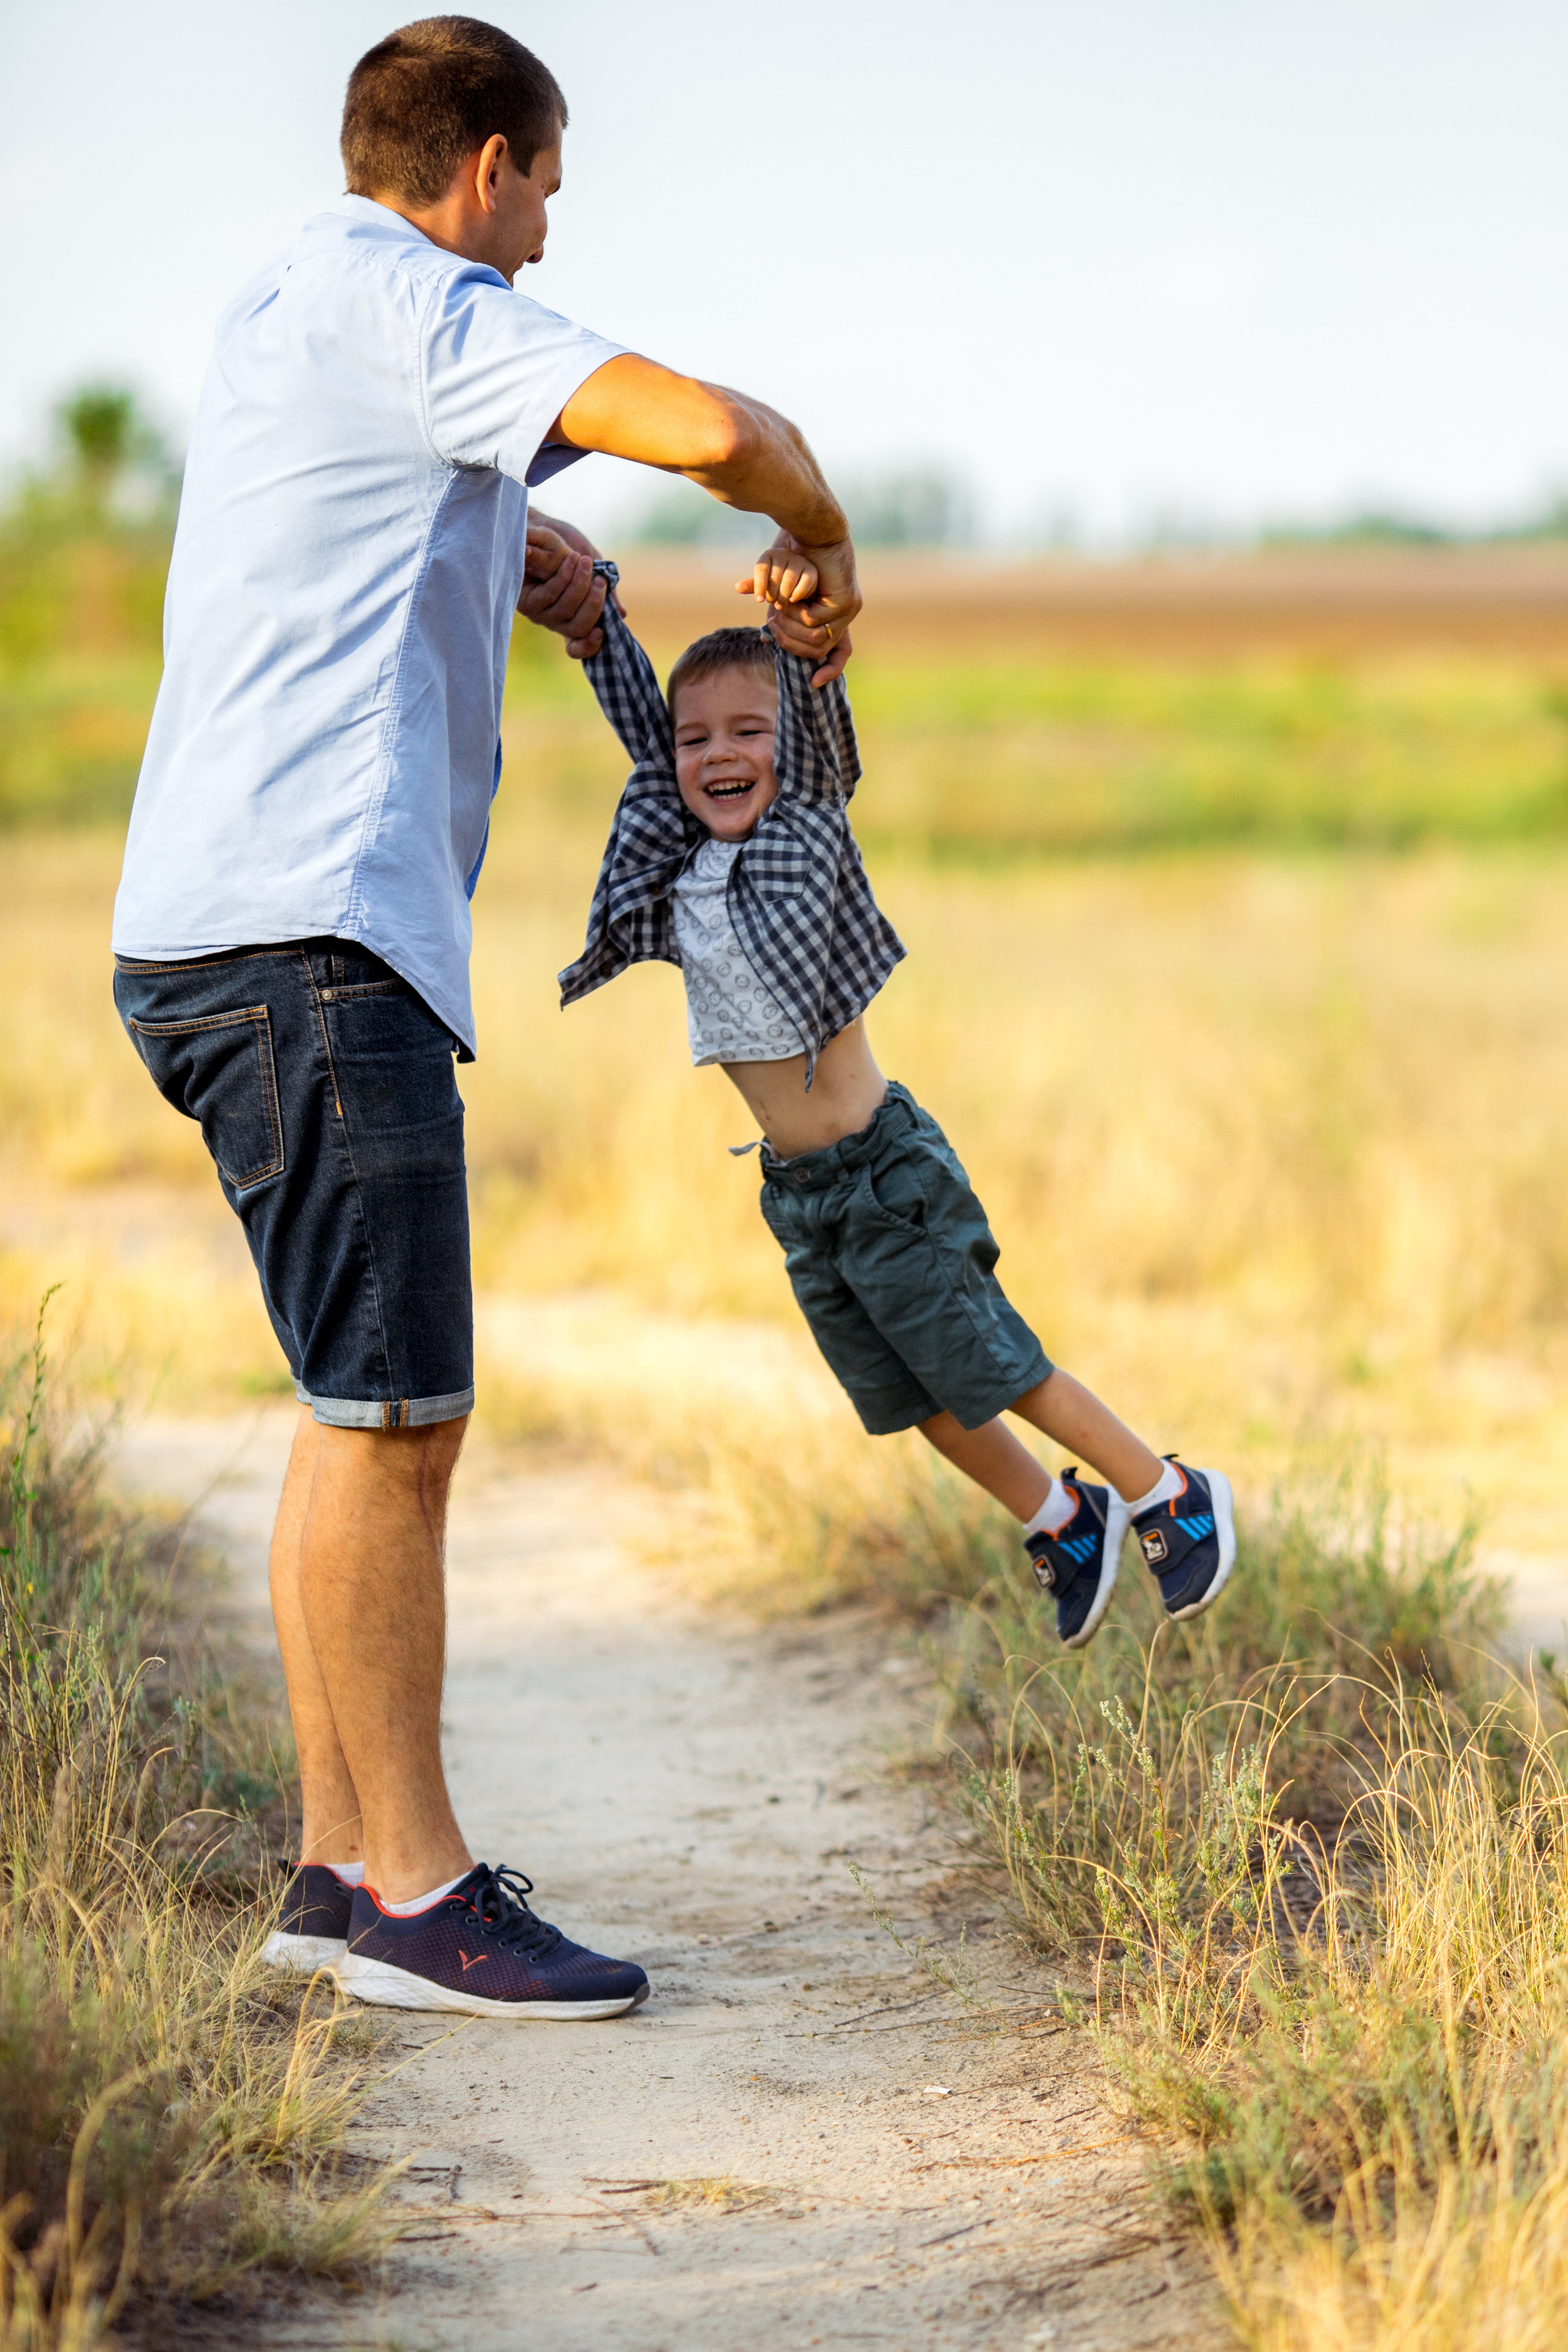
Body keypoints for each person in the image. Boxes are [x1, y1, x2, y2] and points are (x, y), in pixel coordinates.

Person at [110, 17, 863, 2020]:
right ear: (496, 162)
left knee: (345, 1413)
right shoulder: (420, 291)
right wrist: (823, 531)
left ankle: (339, 1878)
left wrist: (506, 547)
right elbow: (708, 430)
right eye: (544, 191)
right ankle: (431, 1898)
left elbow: (389, 497)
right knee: (402, 1420)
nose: (543, 234)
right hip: (314, 941)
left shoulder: (298, 300)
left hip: (213, 932)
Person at [558, 551, 1238, 1645]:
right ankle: (1064, 1518)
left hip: (883, 1176)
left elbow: (811, 725)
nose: (719, 755)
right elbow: (648, 729)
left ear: (787, 742)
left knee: (993, 1362)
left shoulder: (808, 820)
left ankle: (1165, 1489)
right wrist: (597, 623)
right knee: (909, 1396)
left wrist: (803, 643)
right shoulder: (684, 847)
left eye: (749, 732)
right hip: (801, 1196)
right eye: (699, 741)